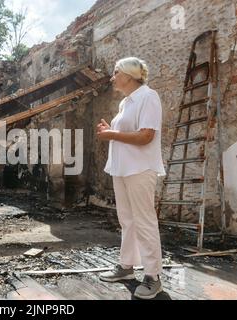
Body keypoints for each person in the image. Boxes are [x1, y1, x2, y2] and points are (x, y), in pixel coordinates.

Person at [97, 57, 166, 300]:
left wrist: (112, 134)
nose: (112, 77)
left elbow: (146, 135)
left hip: (140, 169)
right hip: (122, 168)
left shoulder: (148, 96)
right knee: (127, 220)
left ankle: (153, 276)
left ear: (128, 75)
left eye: (116, 72)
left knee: (144, 221)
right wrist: (111, 131)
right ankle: (126, 267)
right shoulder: (126, 102)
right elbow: (124, 133)